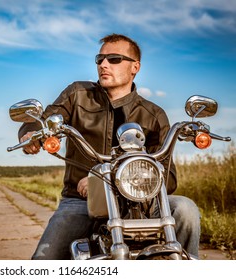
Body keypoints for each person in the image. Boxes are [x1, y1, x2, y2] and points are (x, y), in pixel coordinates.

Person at [18, 33, 200, 259]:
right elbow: (45, 121)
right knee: (43, 261)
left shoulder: (154, 115)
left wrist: (99, 182)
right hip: (80, 201)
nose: (103, 64)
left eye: (114, 59)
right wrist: (29, 134)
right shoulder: (78, 95)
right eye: (100, 59)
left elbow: (168, 179)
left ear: (135, 67)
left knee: (185, 209)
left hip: (140, 205)